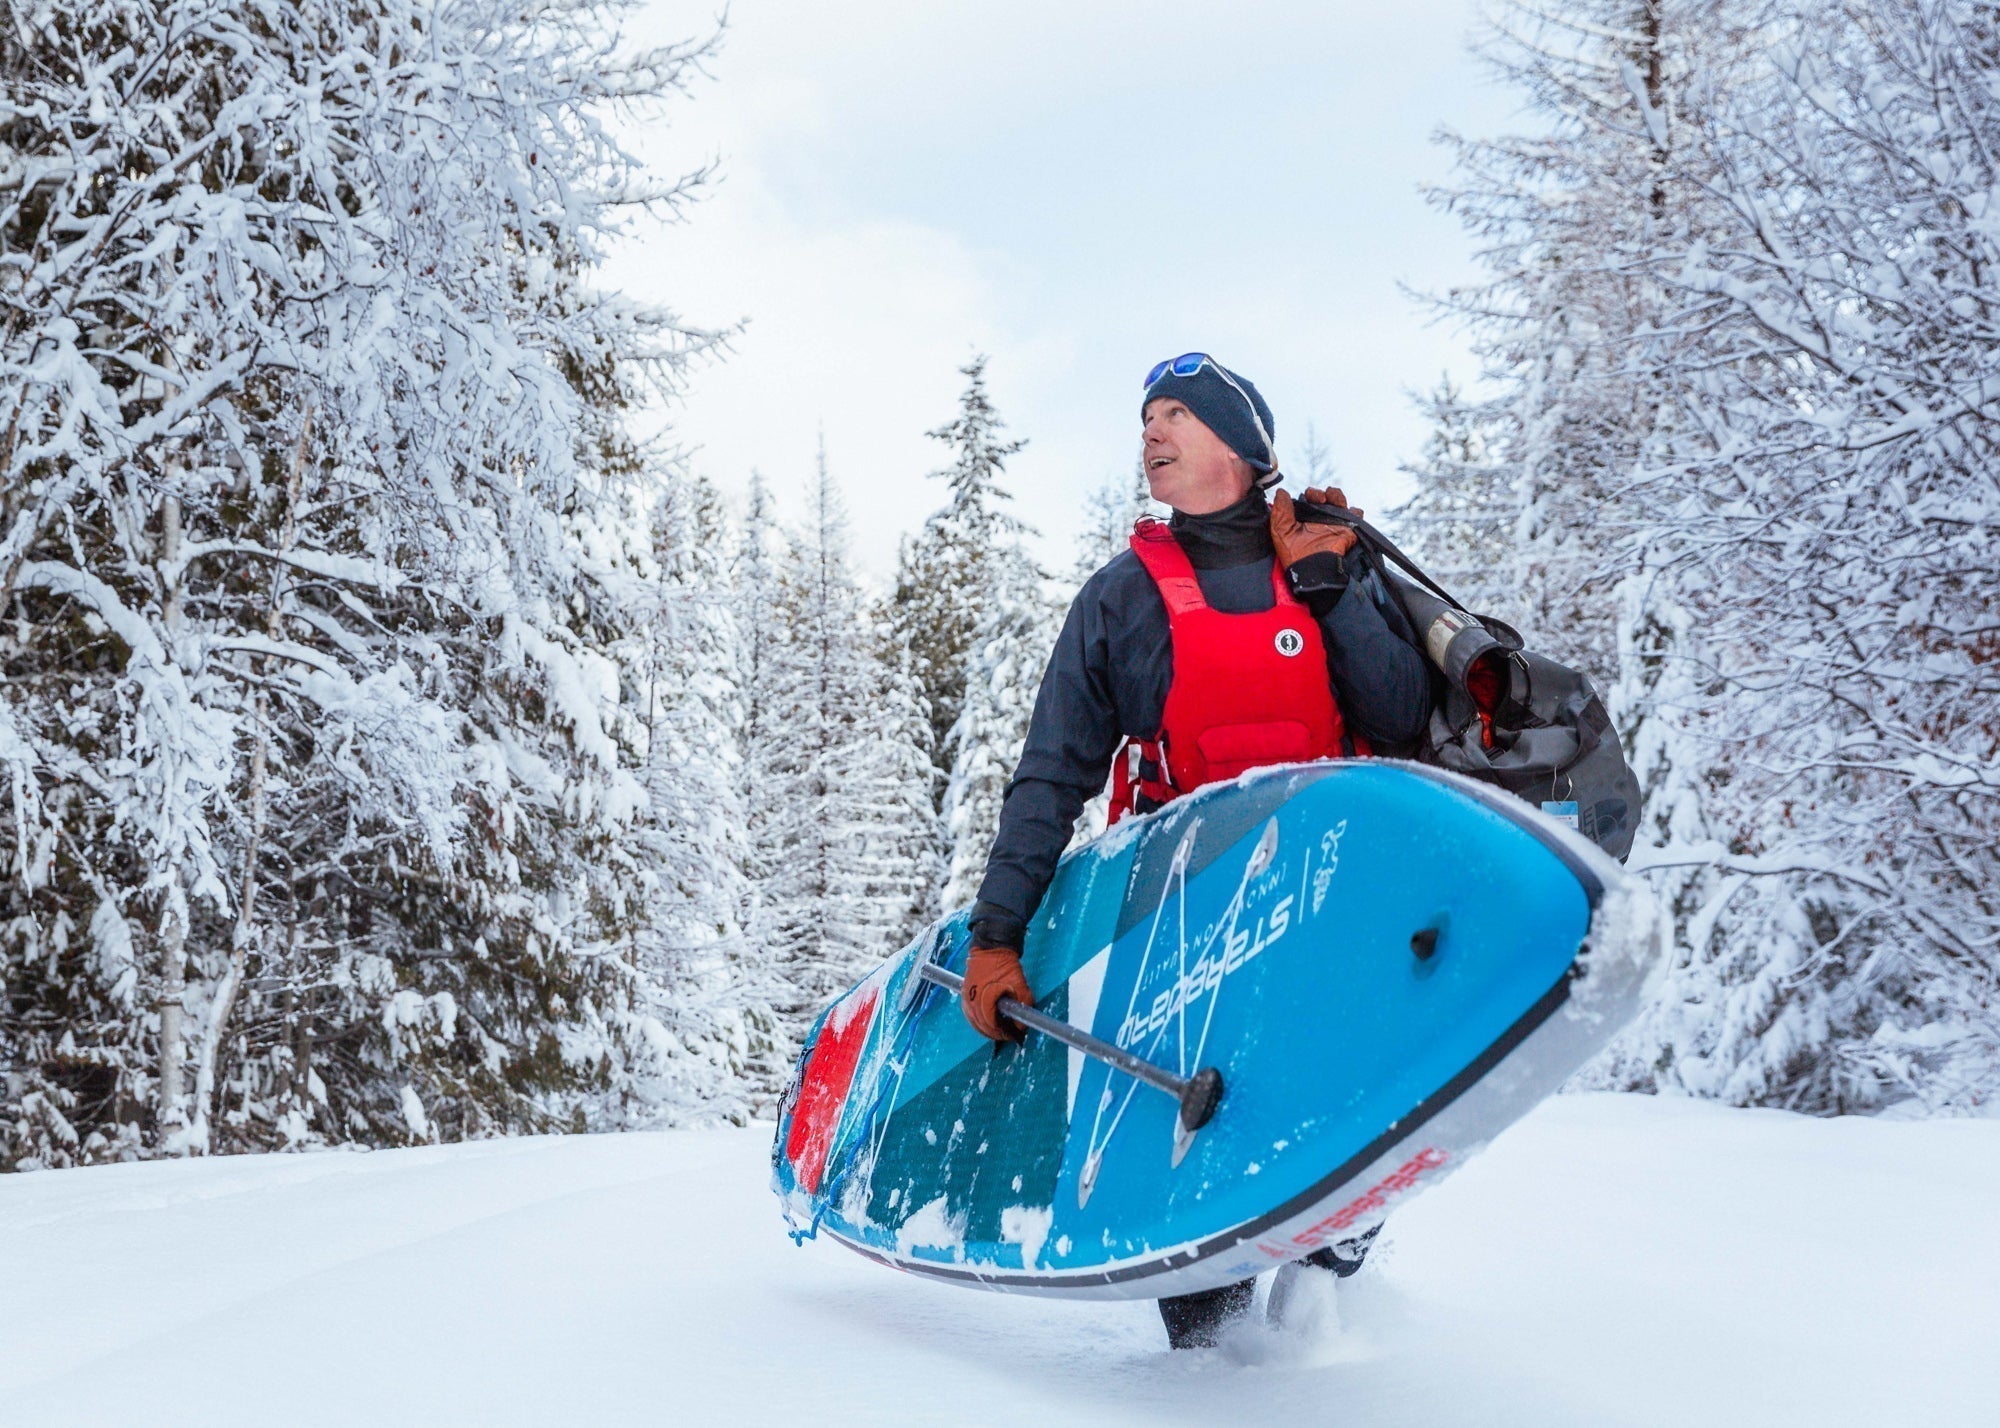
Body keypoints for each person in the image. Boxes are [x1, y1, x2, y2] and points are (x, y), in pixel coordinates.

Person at [957, 353, 1432, 1349]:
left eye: (1173, 413)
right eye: (1144, 419)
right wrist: (998, 933)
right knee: (1201, 1177)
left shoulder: (1327, 558)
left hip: (1331, 899)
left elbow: (1397, 719)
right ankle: (1211, 1376)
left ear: (1240, 444)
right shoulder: (1121, 600)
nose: (1150, 433)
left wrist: (1336, 590)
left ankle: (1328, 1298)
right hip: (1183, 924)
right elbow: (1051, 775)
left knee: (1337, 1135)